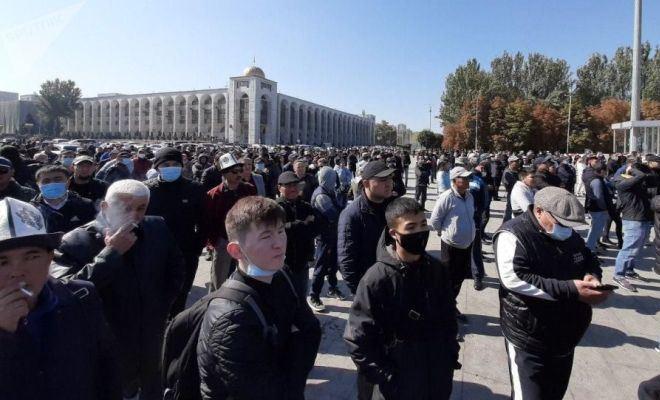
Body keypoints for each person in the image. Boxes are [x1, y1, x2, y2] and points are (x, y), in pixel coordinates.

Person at [55, 179, 185, 400]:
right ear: (105, 207)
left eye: (141, 208)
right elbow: (66, 293)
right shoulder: (75, 241)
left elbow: (176, 271)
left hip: (150, 337)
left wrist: (158, 308)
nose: (134, 215)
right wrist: (110, 254)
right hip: (106, 341)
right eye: (126, 207)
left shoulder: (156, 227)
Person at [197, 196, 321, 400]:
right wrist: (294, 344)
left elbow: (312, 330)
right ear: (236, 250)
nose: (279, 244)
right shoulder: (230, 316)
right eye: (266, 237)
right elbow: (265, 391)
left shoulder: (281, 275)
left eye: (281, 232)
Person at [0, 197, 121, 400]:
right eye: (2, 262)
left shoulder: (80, 296)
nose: (18, 272)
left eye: (32, 257)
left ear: (49, 258)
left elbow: (106, 368)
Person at [494, 186, 609, 400]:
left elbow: (586, 256)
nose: (566, 230)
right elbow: (514, 277)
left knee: (554, 393)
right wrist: (571, 290)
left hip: (565, 336)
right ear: (539, 211)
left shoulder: (568, 232)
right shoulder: (512, 234)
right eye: (561, 223)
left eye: (571, 226)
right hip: (528, 336)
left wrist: (592, 274)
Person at [345, 196, 459, 400]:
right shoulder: (377, 278)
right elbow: (358, 338)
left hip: (436, 379)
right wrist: (386, 376)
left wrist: (450, 354)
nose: (419, 233)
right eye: (411, 227)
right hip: (398, 385)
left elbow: (448, 317)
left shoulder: (437, 270)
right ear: (394, 234)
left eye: (423, 224)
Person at [145, 148, 205, 317]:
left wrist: (196, 248)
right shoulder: (147, 190)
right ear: (157, 167)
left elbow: (203, 222)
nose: (171, 167)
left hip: (185, 253)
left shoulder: (195, 189)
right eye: (166, 164)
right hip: (154, 253)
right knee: (155, 297)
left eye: (175, 164)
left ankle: (174, 330)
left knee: (180, 296)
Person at [338, 160, 394, 295]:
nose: (388, 183)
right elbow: (346, 259)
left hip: (392, 281)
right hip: (369, 286)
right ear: (366, 183)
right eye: (382, 179)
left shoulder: (392, 207)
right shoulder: (352, 214)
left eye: (390, 178)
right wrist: (361, 293)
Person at [202, 153, 257, 291]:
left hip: (245, 240)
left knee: (245, 276)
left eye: (240, 170)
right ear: (224, 174)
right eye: (234, 171)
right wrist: (214, 242)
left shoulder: (248, 189)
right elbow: (208, 221)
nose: (239, 174)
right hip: (223, 241)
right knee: (219, 278)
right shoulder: (213, 194)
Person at [430, 166, 475, 319]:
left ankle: (450, 305)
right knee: (447, 279)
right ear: (455, 181)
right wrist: (444, 232)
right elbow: (435, 220)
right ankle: (442, 312)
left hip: (466, 245)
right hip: (450, 245)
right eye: (464, 178)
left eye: (469, 177)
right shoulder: (447, 197)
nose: (468, 180)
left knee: (459, 278)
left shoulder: (469, 196)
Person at [612, 161, 656, 291]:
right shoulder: (621, 182)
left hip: (643, 218)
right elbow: (641, 176)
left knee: (637, 248)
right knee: (629, 249)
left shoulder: (635, 181)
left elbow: (651, 180)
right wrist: (631, 168)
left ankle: (629, 271)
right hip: (633, 219)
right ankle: (619, 275)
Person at [276, 171, 320, 300]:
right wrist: (301, 224)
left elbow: (315, 229)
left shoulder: (305, 206)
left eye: (295, 185)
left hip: (302, 261)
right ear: (279, 188)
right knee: (284, 297)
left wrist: (301, 226)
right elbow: (277, 230)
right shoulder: (276, 207)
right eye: (288, 186)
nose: (293, 189)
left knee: (301, 296)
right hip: (282, 262)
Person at [308, 166, 345, 311]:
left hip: (333, 234)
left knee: (333, 264)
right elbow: (334, 215)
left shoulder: (329, 191)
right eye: (332, 178)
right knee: (321, 266)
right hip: (324, 236)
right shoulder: (321, 195)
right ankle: (314, 296)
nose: (334, 181)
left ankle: (332, 287)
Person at [31, 165, 96, 233]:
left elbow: (91, 232)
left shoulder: (85, 204)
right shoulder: (31, 209)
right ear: (38, 184)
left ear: (68, 182)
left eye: (57, 179)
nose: (52, 183)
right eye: (46, 181)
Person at [584, 163, 611, 253]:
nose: (606, 173)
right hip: (598, 209)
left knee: (595, 229)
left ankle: (592, 246)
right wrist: (605, 208)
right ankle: (590, 250)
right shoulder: (597, 181)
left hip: (596, 208)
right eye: (606, 171)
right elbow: (599, 197)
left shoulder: (596, 179)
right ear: (602, 171)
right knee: (595, 230)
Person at [502, 156, 521, 222]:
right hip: (512, 194)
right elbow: (509, 185)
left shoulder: (517, 171)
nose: (518, 163)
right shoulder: (507, 173)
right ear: (510, 162)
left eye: (518, 161)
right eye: (516, 161)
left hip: (518, 194)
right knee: (509, 212)